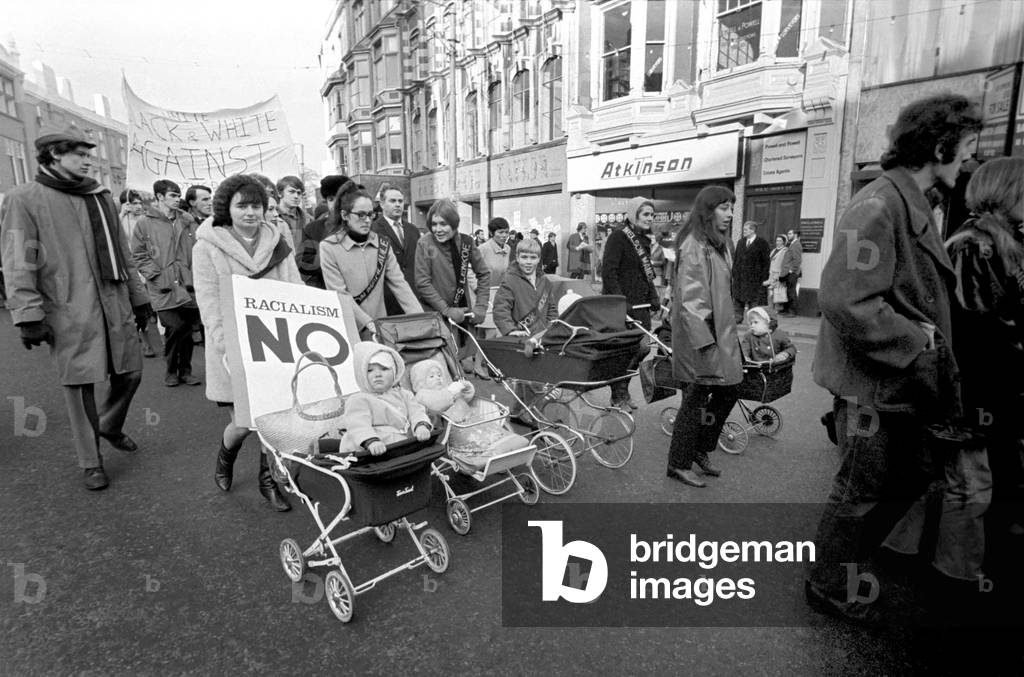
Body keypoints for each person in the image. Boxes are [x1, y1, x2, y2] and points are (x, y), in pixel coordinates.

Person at [806, 94, 981, 625]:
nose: (970, 161)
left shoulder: (911, 200)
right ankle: (828, 585)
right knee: (860, 493)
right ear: (939, 145)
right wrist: (915, 340)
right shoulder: (881, 203)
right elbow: (843, 297)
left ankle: (844, 568)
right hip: (874, 389)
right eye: (967, 148)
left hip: (898, 388)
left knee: (897, 484)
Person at [1, 128, 152, 490]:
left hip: (113, 300)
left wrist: (139, 295)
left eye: (88, 153)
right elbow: (18, 259)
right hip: (66, 307)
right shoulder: (24, 198)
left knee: (131, 372)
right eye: (79, 154)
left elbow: (123, 251)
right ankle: (91, 462)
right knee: (80, 384)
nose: (87, 160)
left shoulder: (100, 196)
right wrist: (28, 315)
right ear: (53, 155)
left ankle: (109, 425)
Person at [929, 156, 1024, 584]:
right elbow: (974, 334)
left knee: (965, 481)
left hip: (989, 389)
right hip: (974, 391)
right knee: (969, 484)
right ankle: (957, 573)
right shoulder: (973, 245)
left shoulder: (1001, 241)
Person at [193, 174, 301, 512]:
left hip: (276, 344)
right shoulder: (206, 247)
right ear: (228, 207)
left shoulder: (279, 242)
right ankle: (226, 456)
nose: (251, 212)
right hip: (234, 348)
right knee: (243, 423)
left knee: (275, 418)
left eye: (256, 205)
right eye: (243, 205)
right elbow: (209, 304)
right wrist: (229, 348)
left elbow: (295, 290)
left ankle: (268, 480)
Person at [666, 185, 742, 488]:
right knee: (696, 398)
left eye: (731, 207)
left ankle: (699, 447)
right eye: (724, 207)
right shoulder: (695, 245)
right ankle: (678, 463)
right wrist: (706, 343)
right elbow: (690, 301)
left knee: (729, 390)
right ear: (707, 211)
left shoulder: (719, 243)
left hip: (718, 335)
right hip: (701, 339)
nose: (730, 214)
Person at [320, 181, 422, 333]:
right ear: (345, 215)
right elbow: (340, 295)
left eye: (370, 214)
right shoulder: (329, 247)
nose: (367, 220)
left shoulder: (382, 244)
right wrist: (368, 323)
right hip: (348, 328)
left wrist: (420, 318)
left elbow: (400, 284)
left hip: (380, 328)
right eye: (361, 215)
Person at [131, 179, 201, 387]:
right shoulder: (144, 223)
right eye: (172, 195)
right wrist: (156, 275)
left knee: (187, 329)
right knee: (175, 327)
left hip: (187, 284)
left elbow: (198, 249)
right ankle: (171, 369)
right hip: (162, 286)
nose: (177, 199)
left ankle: (185, 371)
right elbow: (138, 254)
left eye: (179, 195)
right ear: (159, 197)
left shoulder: (187, 220)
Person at [600, 197, 660, 410]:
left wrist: (653, 296)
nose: (649, 218)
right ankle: (618, 394)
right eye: (645, 214)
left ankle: (622, 388)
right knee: (629, 349)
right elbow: (608, 271)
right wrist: (619, 300)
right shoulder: (618, 237)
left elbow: (647, 274)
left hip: (640, 305)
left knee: (643, 349)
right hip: (623, 306)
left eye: (652, 215)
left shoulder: (644, 240)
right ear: (633, 214)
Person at [410, 359, 530, 457]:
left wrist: (466, 389)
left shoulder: (447, 389)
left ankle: (503, 443)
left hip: (471, 421)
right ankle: (489, 449)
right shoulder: (422, 394)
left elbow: (465, 399)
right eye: (431, 376)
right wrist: (450, 392)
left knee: (489, 431)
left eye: (440, 375)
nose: (438, 378)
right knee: (479, 439)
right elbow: (437, 404)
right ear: (420, 382)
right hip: (453, 430)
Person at [339, 342, 433, 455]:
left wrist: (420, 426)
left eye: (384, 369)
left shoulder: (405, 394)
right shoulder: (358, 400)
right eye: (369, 370)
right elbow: (358, 425)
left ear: (395, 372)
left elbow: (417, 411)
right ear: (361, 374)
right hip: (371, 450)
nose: (377, 374)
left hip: (400, 444)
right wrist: (371, 441)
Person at [414, 199, 490, 331]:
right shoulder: (425, 243)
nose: (438, 229)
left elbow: (483, 274)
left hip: (464, 313)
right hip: (435, 317)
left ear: (454, 223)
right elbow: (422, 282)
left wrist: (481, 306)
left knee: (468, 351)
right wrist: (446, 309)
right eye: (434, 224)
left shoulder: (467, 242)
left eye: (443, 224)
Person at [119, 189, 160, 358]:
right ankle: (145, 343)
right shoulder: (121, 221)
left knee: (152, 304)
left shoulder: (145, 220)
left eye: (139, 203)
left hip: (146, 265)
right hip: (129, 270)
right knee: (139, 308)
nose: (137, 206)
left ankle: (161, 337)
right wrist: (121, 215)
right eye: (133, 203)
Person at [372, 184, 422, 315]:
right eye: (392, 201)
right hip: (387, 299)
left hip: (413, 298)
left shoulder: (413, 230)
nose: (398, 205)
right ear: (382, 204)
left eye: (400, 201)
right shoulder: (373, 231)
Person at [298, 174, 350, 289]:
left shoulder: (359, 227)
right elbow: (306, 263)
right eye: (331, 199)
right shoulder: (312, 229)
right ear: (326, 201)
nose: (336, 203)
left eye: (340, 198)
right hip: (324, 290)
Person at [732, 221, 770, 323]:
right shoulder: (740, 242)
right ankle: (737, 318)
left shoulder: (762, 243)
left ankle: (753, 320)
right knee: (738, 300)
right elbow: (736, 260)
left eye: (746, 229)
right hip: (740, 279)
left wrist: (764, 279)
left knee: (754, 302)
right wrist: (734, 274)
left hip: (755, 280)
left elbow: (766, 263)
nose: (743, 231)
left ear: (752, 230)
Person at [275, 175, 311, 251]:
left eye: (299, 193)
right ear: (279, 193)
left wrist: (307, 262)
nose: (296, 196)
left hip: (301, 261)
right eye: (291, 191)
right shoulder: (271, 216)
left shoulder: (308, 219)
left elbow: (311, 246)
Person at [779, 229, 802, 316]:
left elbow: (797, 260)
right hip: (787, 272)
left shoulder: (796, 245)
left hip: (792, 273)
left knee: (791, 292)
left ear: (795, 235)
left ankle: (792, 311)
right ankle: (786, 310)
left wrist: (791, 270)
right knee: (788, 291)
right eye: (788, 233)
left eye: (790, 234)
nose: (788, 235)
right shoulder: (792, 244)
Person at [764, 235, 789, 313]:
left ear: (784, 242)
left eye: (780, 241)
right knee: (771, 291)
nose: (777, 242)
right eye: (777, 241)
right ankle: (771, 307)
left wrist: (782, 273)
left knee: (777, 291)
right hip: (771, 273)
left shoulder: (785, 250)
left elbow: (785, 263)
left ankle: (777, 308)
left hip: (778, 273)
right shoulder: (774, 250)